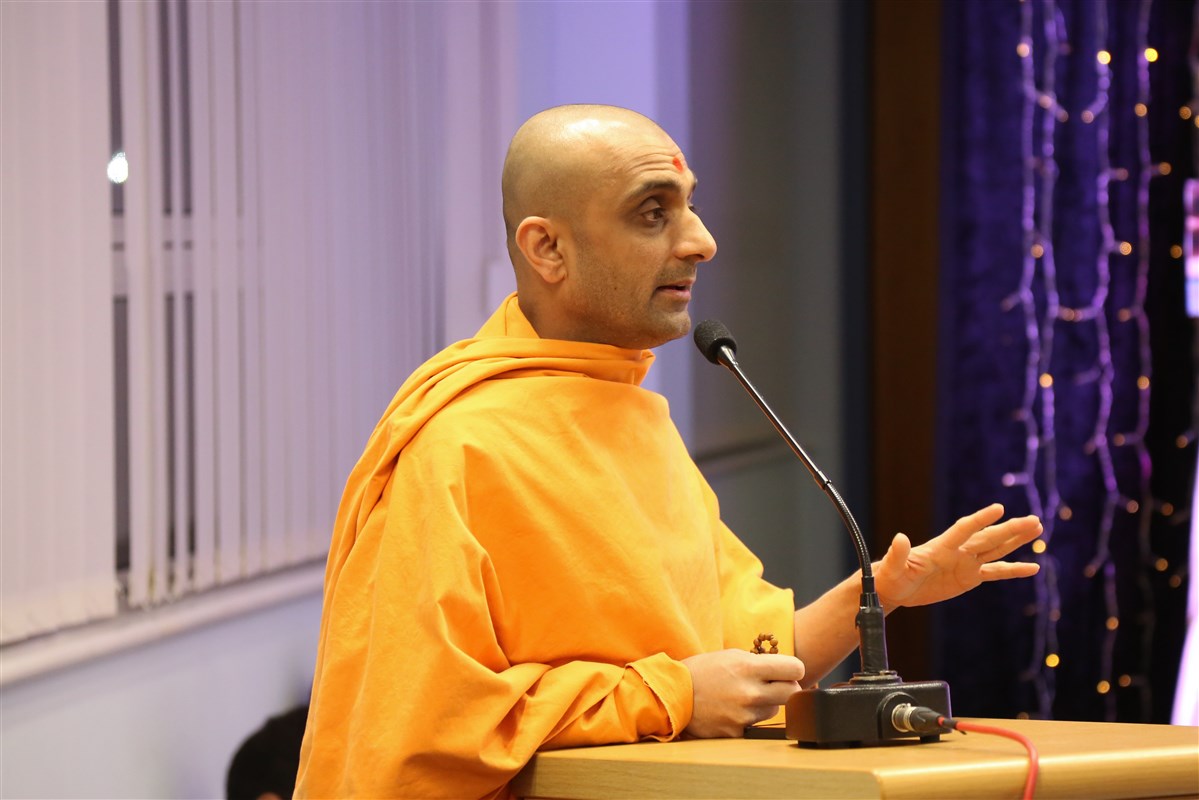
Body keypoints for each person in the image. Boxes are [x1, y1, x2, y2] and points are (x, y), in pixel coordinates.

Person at [294, 104, 1042, 799]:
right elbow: (422, 732)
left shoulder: (628, 413)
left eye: (689, 205)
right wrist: (669, 696)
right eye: (653, 213)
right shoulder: (457, 448)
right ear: (547, 247)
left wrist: (878, 593)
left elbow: (746, 665)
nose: (701, 241)